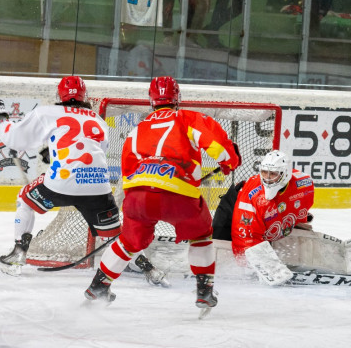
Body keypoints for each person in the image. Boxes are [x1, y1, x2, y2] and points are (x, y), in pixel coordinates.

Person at [84, 76, 240, 313]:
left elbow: (127, 172)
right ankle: (204, 291)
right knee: (201, 235)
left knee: (129, 242)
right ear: (177, 98)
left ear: (151, 100)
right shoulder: (188, 118)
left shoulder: (138, 129)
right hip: (178, 194)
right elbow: (216, 145)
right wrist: (230, 162)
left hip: (138, 195)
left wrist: (139, 198)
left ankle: (99, 285)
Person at [0, 77, 133, 277]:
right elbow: (98, 151)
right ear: (84, 95)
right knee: (115, 236)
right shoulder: (97, 119)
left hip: (60, 186)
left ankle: (19, 253)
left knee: (25, 199)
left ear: (59, 95)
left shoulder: (47, 112)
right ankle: (143, 265)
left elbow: (15, 138)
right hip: (98, 188)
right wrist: (55, 151)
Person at [212, 150, 315, 284]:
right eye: (264, 172)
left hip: (263, 212)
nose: (267, 178)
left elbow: (298, 204)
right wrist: (269, 269)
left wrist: (295, 220)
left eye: (273, 173)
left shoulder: (304, 184)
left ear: (285, 174)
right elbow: (244, 237)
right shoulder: (253, 198)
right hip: (233, 208)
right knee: (220, 247)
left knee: (273, 232)